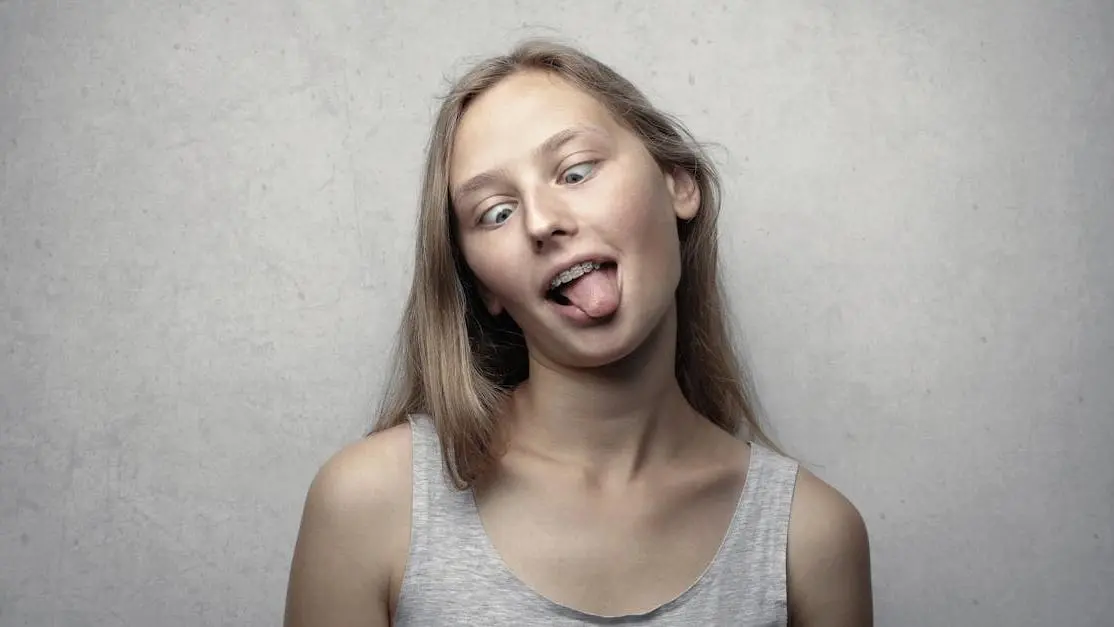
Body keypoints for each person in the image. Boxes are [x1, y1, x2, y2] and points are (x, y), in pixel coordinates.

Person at [284, 39, 873, 626]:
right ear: (483, 284)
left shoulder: (810, 539)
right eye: (496, 212)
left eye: (576, 171)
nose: (541, 222)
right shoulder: (370, 505)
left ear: (678, 184)